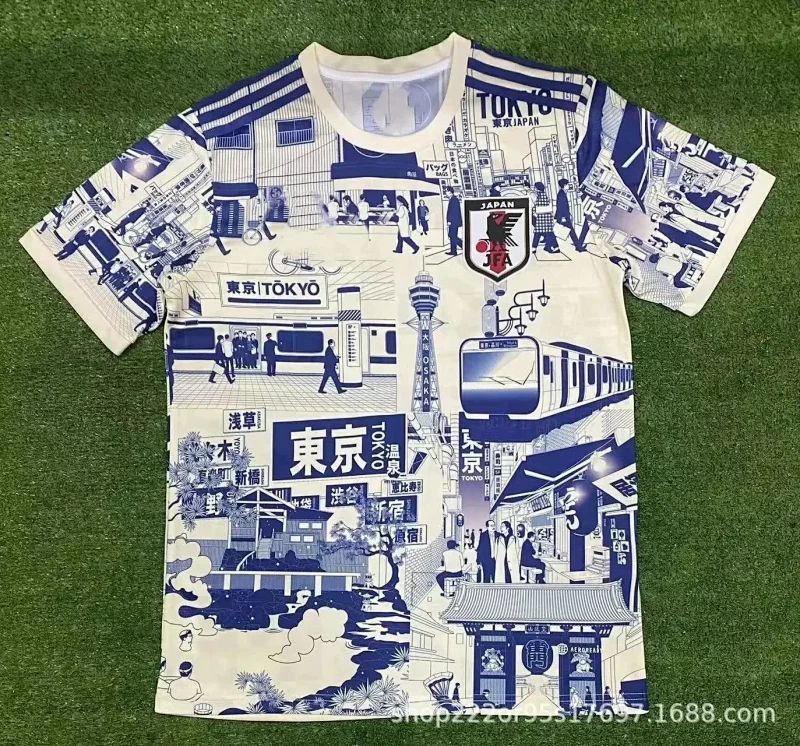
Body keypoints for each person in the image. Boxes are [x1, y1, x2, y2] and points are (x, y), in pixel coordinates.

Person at [555, 178, 583, 250]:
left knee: (569, 231)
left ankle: (578, 246)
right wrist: (563, 217)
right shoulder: (561, 194)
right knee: (570, 231)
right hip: (563, 216)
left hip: (564, 216)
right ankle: (578, 246)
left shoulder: (562, 193)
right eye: (567, 184)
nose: (568, 186)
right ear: (564, 185)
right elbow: (561, 206)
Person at [532, 182, 559, 253]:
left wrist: (533, 210)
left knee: (538, 233)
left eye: (535, 188)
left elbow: (537, 207)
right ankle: (553, 247)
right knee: (548, 233)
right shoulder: (543, 195)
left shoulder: (540, 196)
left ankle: (534, 248)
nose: (534, 189)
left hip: (542, 218)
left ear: (537, 189)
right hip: (546, 218)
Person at [444, 185, 462, 255]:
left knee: (453, 236)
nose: (445, 192)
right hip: (454, 222)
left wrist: (450, 221)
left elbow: (454, 212)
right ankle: (453, 251)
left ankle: (464, 246)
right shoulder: (453, 199)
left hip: (454, 222)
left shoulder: (454, 200)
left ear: (450, 192)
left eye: (446, 191)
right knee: (452, 236)